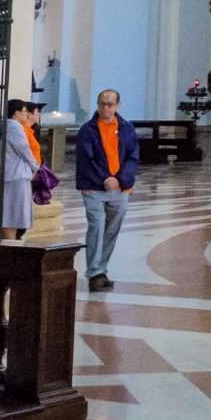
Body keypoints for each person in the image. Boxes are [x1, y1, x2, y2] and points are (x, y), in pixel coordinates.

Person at [73, 89, 139, 291]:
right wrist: (105, 179)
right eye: (102, 104)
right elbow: (87, 159)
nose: (106, 108)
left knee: (111, 230)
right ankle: (94, 272)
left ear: (117, 105)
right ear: (97, 104)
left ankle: (102, 269)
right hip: (94, 188)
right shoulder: (88, 130)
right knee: (97, 227)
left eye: (110, 104)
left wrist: (119, 180)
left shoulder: (127, 129)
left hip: (120, 189)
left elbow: (132, 157)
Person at [1, 98, 42, 240]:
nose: (26, 114)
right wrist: (35, 165)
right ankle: (11, 246)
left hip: (9, 173)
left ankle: (10, 243)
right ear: (16, 113)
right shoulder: (15, 127)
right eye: (24, 111)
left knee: (10, 214)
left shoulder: (5, 125)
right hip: (17, 175)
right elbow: (24, 148)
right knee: (14, 216)